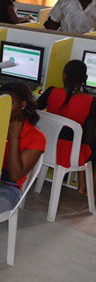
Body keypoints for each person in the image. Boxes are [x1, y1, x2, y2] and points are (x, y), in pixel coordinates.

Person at [37, 60, 96, 195]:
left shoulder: (51, 91)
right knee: (90, 144)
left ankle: (82, 186)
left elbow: (34, 110)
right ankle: (88, 190)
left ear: (64, 76)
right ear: (85, 78)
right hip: (70, 155)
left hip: (45, 147)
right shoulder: (91, 102)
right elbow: (88, 138)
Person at [0, 83, 46, 215]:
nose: (3, 108)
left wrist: (14, 138)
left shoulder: (36, 137)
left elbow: (15, 175)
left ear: (23, 105)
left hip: (8, 188)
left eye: (9, 103)